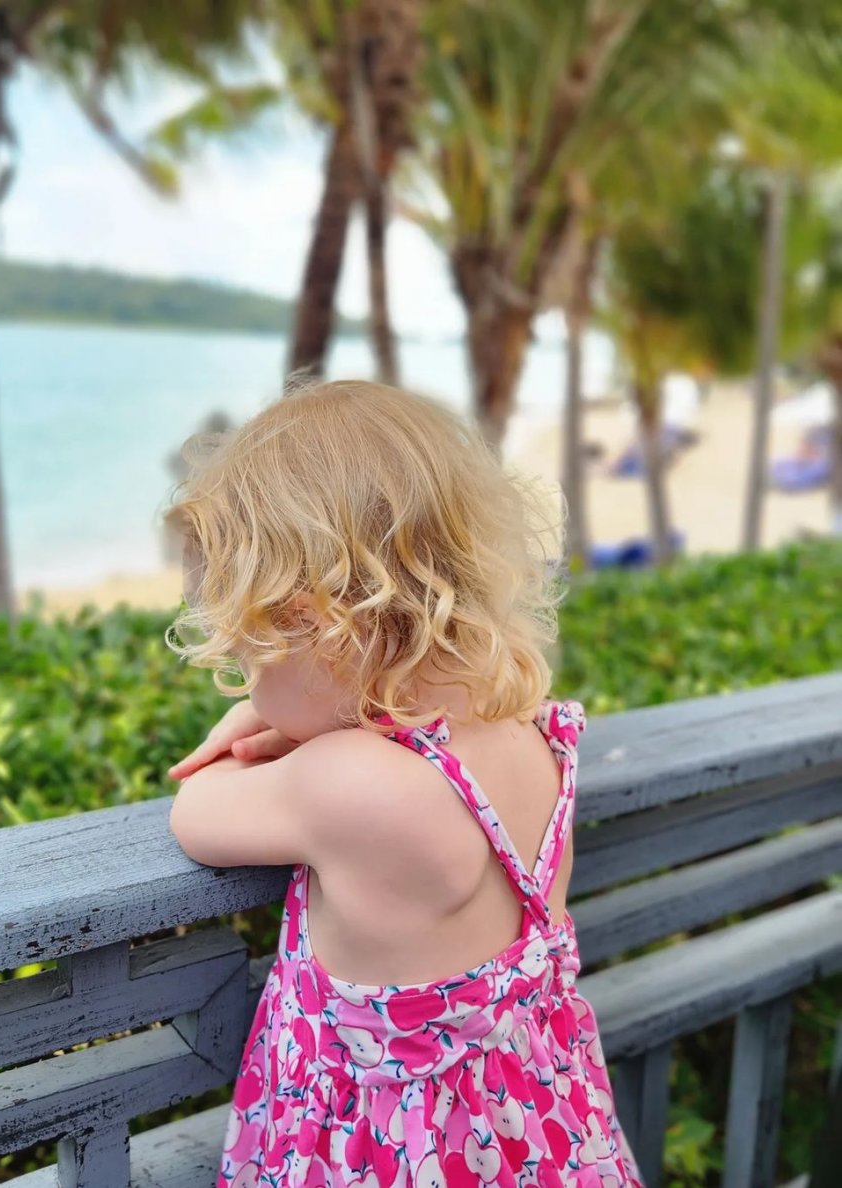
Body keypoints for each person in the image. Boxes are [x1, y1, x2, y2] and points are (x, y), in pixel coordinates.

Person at [165, 378, 643, 1187]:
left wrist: (243, 729)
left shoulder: (344, 781)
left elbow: (196, 812)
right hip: (541, 1142)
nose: (248, 686)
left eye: (247, 660)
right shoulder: (536, 740)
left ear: (314, 622)